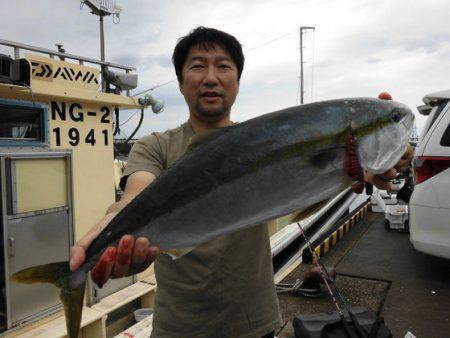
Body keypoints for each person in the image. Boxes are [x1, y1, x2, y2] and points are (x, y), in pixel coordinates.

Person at [70, 27, 414, 338]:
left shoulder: (265, 141)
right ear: (180, 81)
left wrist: (374, 169)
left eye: (223, 66)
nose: (210, 77)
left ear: (237, 79)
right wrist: (110, 230)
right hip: (177, 328)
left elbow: (310, 180)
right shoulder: (156, 146)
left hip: (255, 324)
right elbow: (135, 195)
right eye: (197, 66)